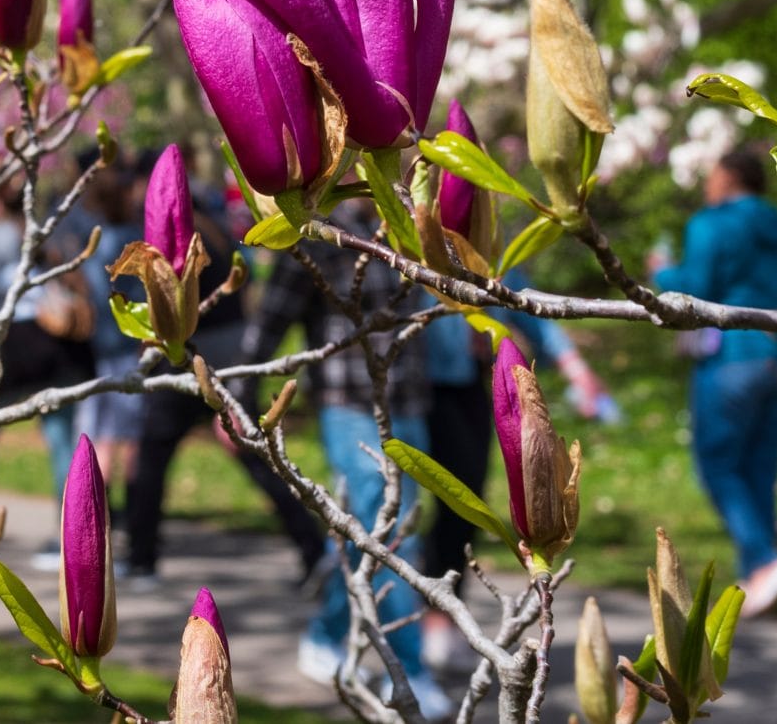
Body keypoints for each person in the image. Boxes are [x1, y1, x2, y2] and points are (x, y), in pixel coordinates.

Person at [242, 198, 451, 722]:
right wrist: (238, 401)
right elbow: (268, 326)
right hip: (349, 409)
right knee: (395, 532)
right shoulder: (314, 234)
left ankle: (326, 632)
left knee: (369, 531)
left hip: (409, 405)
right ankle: (407, 673)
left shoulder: (405, 221)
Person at [119, 148, 327, 592]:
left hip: (199, 357)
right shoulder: (208, 222)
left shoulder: (168, 222)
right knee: (251, 456)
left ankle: (141, 559)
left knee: (153, 456)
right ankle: (312, 548)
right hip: (230, 354)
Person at [653, 147, 777, 618]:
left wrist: (660, 269)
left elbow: (693, 286)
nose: (706, 183)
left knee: (717, 464)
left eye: (712, 174)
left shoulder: (710, 224)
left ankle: (762, 560)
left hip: (732, 357)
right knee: (760, 464)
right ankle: (758, 571)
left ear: (729, 177)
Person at [417, 303, 614, 670]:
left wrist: (576, 370)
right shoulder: (411, 256)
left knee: (464, 499)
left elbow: (526, 308)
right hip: (415, 385)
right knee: (419, 502)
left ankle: (441, 613)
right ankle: (420, 617)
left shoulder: (488, 262)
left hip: (468, 383)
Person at [0, 176, 94, 566]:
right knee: (63, 443)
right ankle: (70, 537)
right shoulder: (58, 229)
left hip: (9, 347)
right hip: (59, 346)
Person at [65, 151, 147, 489]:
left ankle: (104, 504)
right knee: (127, 435)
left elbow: (94, 293)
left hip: (99, 347)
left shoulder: (95, 244)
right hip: (129, 347)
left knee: (99, 434)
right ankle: (129, 505)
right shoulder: (136, 240)